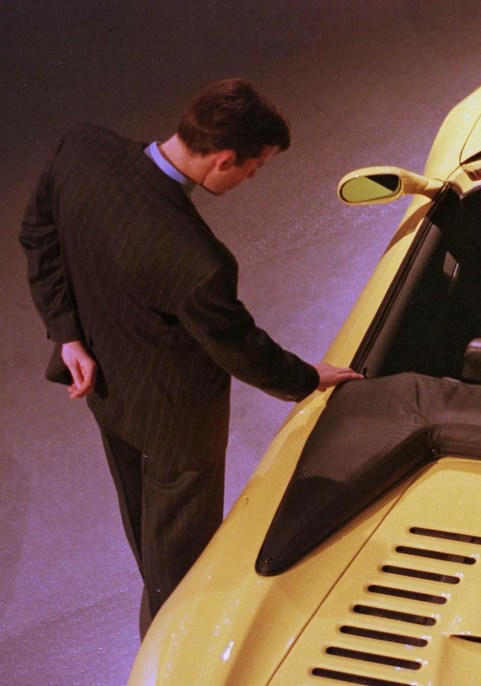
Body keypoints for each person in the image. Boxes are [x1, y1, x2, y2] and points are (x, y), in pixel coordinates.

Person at [19, 78, 362, 635]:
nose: (254, 177)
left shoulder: (82, 148)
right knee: (180, 561)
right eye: (255, 167)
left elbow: (39, 232)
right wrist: (308, 377)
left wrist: (69, 335)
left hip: (108, 392)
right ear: (224, 158)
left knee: (144, 528)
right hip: (180, 426)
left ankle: (157, 606)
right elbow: (241, 349)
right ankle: (171, 647)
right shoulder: (196, 261)